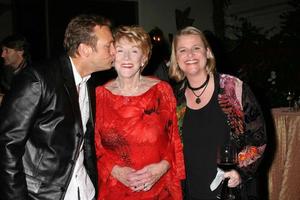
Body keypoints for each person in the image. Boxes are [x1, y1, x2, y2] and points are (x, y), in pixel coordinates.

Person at [0, 14, 115, 200]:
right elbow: (7, 146)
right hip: (42, 194)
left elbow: (84, 143)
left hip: (83, 190)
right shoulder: (38, 79)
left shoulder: (90, 84)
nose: (114, 51)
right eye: (108, 45)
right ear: (85, 49)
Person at [169, 26, 267, 200]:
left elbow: (258, 139)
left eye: (196, 48)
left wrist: (239, 171)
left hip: (231, 189)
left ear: (207, 52)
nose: (190, 55)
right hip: (191, 190)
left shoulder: (233, 88)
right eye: (182, 50)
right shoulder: (174, 99)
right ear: (176, 58)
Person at [94, 25, 185, 200]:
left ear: (143, 58)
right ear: (112, 56)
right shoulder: (99, 95)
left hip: (160, 190)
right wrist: (115, 170)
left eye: (134, 51)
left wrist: (163, 167)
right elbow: (94, 146)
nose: (127, 58)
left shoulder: (162, 91)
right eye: (120, 50)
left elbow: (175, 139)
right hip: (115, 189)